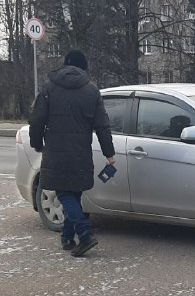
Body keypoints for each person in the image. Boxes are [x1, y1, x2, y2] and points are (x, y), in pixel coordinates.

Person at [29, 49, 115, 257]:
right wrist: (109, 153)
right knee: (73, 193)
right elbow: (102, 126)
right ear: (84, 67)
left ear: (65, 65)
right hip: (80, 151)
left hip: (56, 152)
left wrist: (36, 143)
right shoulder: (92, 91)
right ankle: (66, 238)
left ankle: (84, 236)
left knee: (65, 193)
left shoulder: (49, 89)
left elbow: (37, 119)